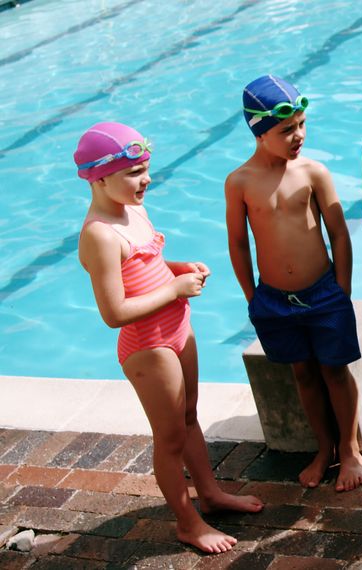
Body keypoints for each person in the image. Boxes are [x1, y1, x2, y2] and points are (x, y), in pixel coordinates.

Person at [76, 122, 263, 554]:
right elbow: (114, 312)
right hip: (147, 346)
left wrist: (177, 268)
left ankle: (211, 494)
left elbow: (145, 266)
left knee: (190, 415)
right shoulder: (100, 235)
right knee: (170, 437)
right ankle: (187, 522)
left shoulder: (133, 209)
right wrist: (174, 290)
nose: (145, 180)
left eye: (145, 168)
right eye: (133, 172)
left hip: (176, 327)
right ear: (98, 177)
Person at [225, 75, 362, 492]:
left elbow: (339, 232)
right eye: (287, 129)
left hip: (323, 292)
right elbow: (237, 243)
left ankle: (350, 449)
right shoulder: (240, 182)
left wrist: (342, 288)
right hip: (274, 300)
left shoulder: (312, 172)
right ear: (259, 132)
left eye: (302, 124)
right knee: (303, 374)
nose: (298, 135)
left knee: (335, 371)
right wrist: (253, 296)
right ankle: (324, 449)